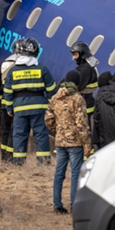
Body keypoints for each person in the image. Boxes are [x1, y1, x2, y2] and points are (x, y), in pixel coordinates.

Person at [3, 37, 56, 165]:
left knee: (19, 136)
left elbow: (8, 92)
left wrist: (9, 108)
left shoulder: (13, 71)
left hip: (20, 109)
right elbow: (51, 89)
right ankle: (43, 163)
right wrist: (51, 106)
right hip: (39, 108)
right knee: (41, 135)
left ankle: (19, 163)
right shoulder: (42, 69)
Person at [45, 69, 91, 215]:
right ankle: (74, 205)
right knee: (75, 174)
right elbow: (82, 124)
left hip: (60, 142)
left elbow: (48, 119)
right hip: (75, 143)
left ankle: (57, 205)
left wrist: (59, 131)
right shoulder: (78, 99)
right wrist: (87, 144)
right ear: (77, 83)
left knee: (59, 173)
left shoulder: (55, 98)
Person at [0, 51, 19, 162]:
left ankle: (4, 158)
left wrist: (0, 104)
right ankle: (10, 158)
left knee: (5, 131)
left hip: (4, 104)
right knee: (14, 131)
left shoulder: (2, 65)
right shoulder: (21, 66)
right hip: (17, 104)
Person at [69, 41, 99, 120]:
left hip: (81, 108)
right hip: (87, 106)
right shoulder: (91, 67)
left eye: (75, 55)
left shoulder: (84, 70)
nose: (74, 58)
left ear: (82, 55)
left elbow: (74, 86)